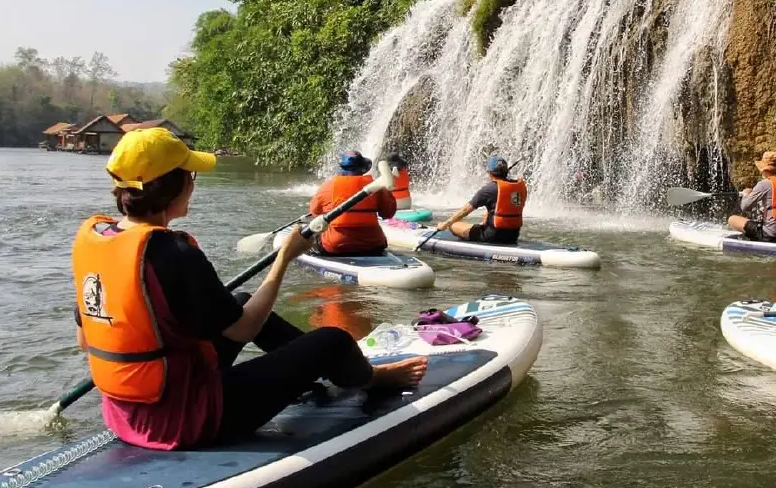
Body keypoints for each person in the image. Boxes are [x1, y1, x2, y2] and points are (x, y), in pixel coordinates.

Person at [70, 127, 426, 451]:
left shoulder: (99, 240)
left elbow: (86, 341)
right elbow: (244, 329)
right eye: (190, 175)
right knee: (333, 340)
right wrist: (283, 259)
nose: (194, 183)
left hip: (124, 414)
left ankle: (315, 374)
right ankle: (369, 378)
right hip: (185, 421)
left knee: (240, 301)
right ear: (173, 185)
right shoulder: (173, 253)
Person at [309, 151, 397, 256]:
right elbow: (388, 214)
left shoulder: (327, 186)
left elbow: (315, 212)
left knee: (312, 234)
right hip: (373, 244)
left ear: (341, 168)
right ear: (362, 168)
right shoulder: (377, 186)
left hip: (336, 245)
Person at [437, 155, 527, 245]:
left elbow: (465, 210)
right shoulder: (518, 187)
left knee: (454, 225)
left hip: (492, 236)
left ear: (490, 173)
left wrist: (445, 224)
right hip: (513, 235)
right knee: (486, 216)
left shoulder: (488, 190)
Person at [727, 151, 776, 243]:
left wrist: (746, 194)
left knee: (732, 219)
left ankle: (755, 236)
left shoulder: (764, 184)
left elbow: (745, 206)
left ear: (765, 170)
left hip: (772, 235)